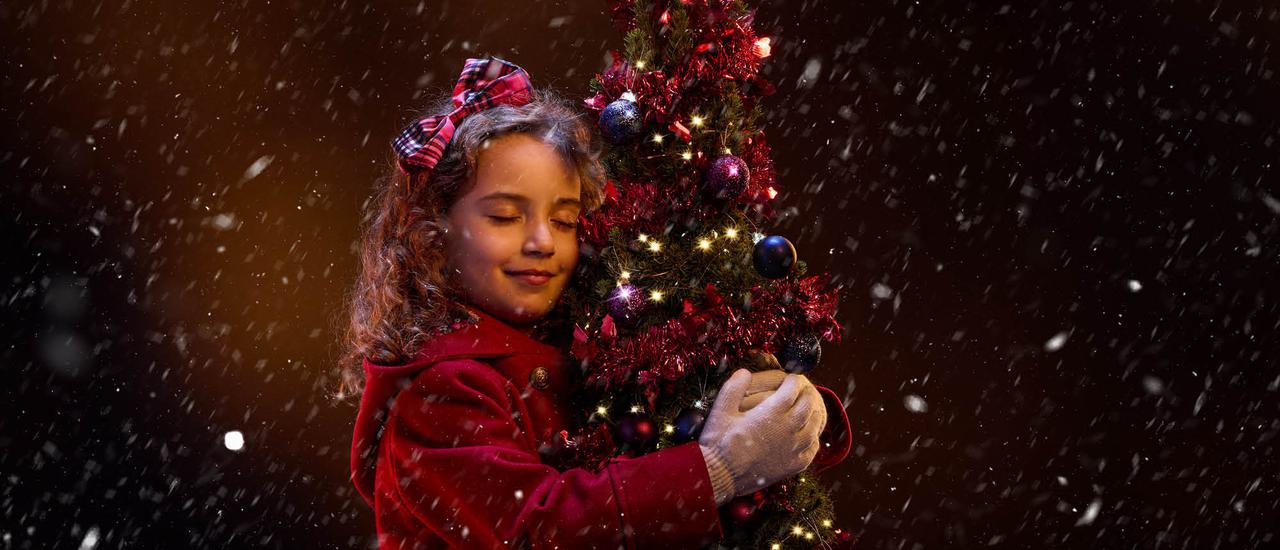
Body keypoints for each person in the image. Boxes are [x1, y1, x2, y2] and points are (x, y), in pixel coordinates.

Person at [343, 56, 852, 549]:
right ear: (434, 232)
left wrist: (781, 414)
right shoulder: (437, 391)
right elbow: (544, 529)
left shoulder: (589, 337)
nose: (542, 241)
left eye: (564, 221)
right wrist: (716, 468)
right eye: (504, 216)